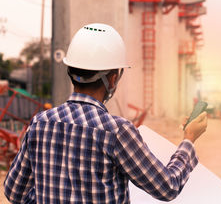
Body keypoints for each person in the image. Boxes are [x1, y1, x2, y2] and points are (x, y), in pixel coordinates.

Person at [4, 23, 207, 204]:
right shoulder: (116, 131)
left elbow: (14, 193)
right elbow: (167, 187)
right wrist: (188, 140)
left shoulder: (40, 123)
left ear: (71, 71)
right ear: (112, 79)